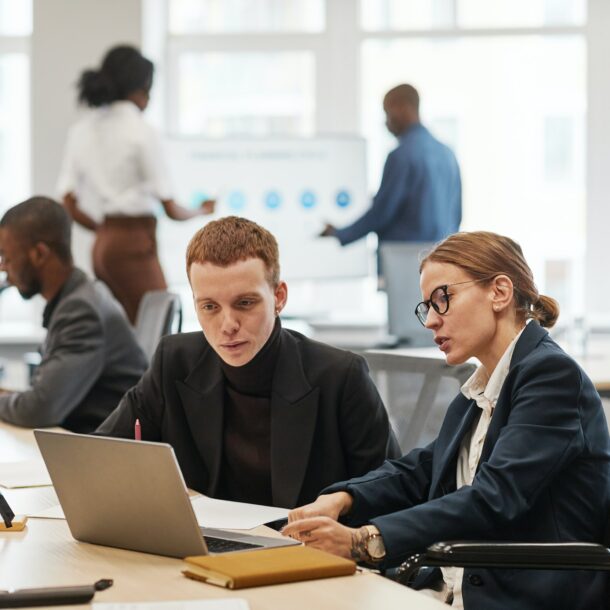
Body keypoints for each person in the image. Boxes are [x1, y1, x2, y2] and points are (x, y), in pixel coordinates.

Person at [283, 231, 610, 610]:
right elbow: (421, 469)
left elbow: (494, 498)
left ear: (499, 292)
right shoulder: (480, 391)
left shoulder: (550, 376)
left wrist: (366, 540)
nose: (431, 321)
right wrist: (343, 498)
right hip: (448, 588)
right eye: (427, 307)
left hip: (517, 598)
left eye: (443, 299)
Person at [97, 216, 400, 508]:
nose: (227, 324)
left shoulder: (340, 376)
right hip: (200, 548)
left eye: (245, 303)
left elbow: (391, 491)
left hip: (302, 550)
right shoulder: (174, 361)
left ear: (279, 297)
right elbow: (100, 454)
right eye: (210, 306)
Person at [57, 45, 215, 324]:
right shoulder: (141, 131)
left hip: (102, 245)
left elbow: (67, 202)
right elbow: (170, 208)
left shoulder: (81, 129)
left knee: (124, 334)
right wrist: (202, 211)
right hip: (133, 244)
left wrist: (104, 231)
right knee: (159, 324)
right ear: (141, 88)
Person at [0, 197, 147, 432]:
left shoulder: (80, 310)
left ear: (39, 254)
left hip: (101, 454)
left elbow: (39, 409)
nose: (3, 268)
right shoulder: (81, 295)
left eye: (6, 257)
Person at [321, 84, 461, 250]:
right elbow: (457, 214)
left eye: (387, 112)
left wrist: (340, 233)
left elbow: (381, 213)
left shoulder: (401, 156)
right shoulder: (447, 154)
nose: (386, 122)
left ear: (402, 107)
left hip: (403, 259)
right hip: (442, 258)